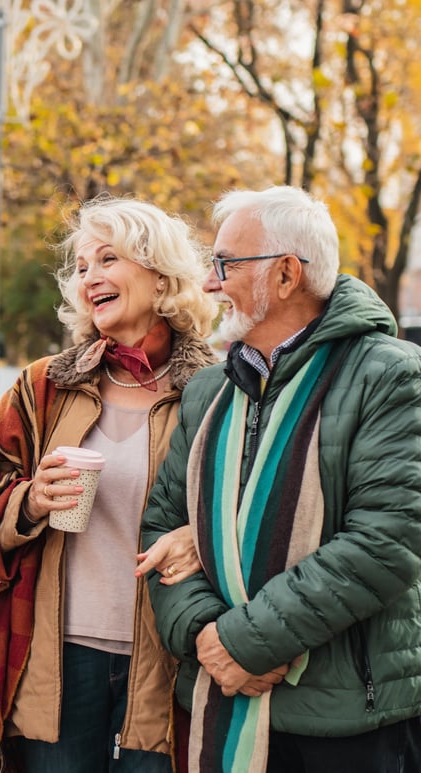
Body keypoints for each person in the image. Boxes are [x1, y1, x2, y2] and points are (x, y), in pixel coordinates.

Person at [141, 185, 421, 773]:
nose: (211, 282)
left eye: (225, 264)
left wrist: (248, 641)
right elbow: (161, 529)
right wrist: (204, 633)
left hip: (345, 718)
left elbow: (389, 539)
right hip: (219, 695)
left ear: (288, 275)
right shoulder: (208, 391)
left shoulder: (389, 375)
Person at [0, 197, 218, 773]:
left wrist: (200, 539)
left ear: (160, 273)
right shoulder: (43, 388)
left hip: (170, 657)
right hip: (56, 662)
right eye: (81, 266)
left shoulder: (217, 392)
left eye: (108, 258)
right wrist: (31, 501)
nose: (90, 276)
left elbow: (250, 517)